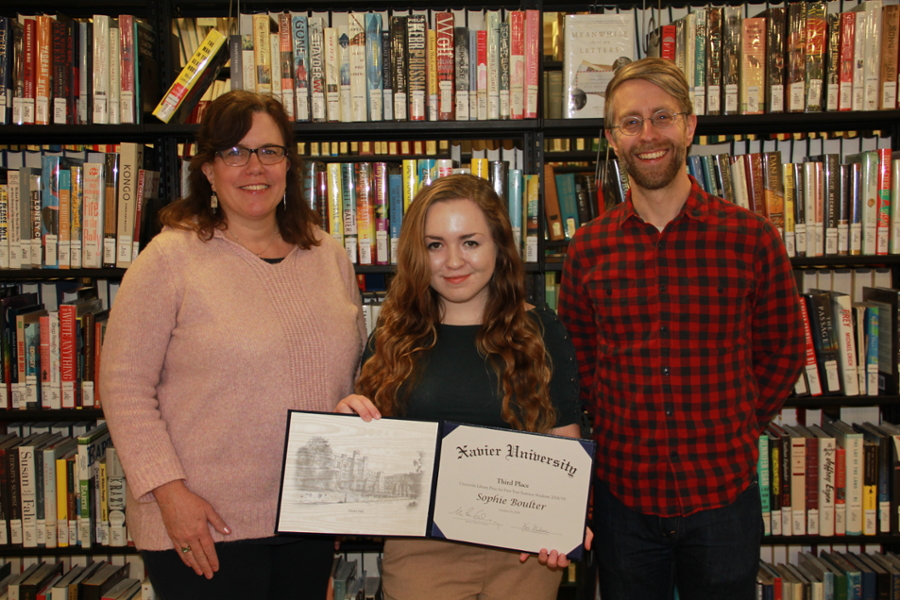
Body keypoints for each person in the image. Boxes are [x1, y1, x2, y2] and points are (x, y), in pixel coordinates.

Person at [100, 90, 366, 599]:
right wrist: (169, 494)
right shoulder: (170, 259)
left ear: (289, 164)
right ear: (207, 170)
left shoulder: (328, 255)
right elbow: (124, 386)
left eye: (269, 151)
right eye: (234, 152)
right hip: (204, 524)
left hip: (307, 517)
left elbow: (349, 377)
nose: (254, 167)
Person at [557, 57, 805, 600]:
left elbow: (784, 351)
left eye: (662, 116)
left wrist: (738, 420)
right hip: (624, 501)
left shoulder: (752, 239)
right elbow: (575, 365)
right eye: (631, 122)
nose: (648, 135)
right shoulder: (589, 248)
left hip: (723, 500)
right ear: (612, 138)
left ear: (690, 126)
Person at [337, 174, 586, 600]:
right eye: (436, 245)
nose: (453, 261)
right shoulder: (394, 335)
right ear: (419, 253)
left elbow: (565, 443)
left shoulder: (541, 329)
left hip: (524, 555)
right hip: (421, 553)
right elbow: (375, 455)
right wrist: (348, 429)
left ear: (499, 247)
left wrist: (565, 523)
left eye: (470, 242)